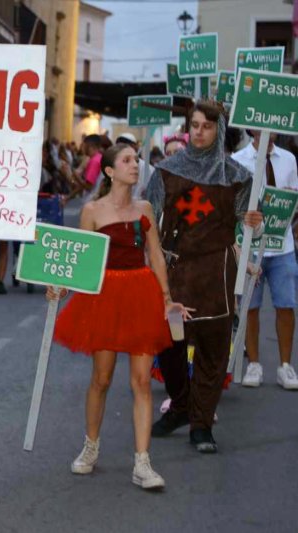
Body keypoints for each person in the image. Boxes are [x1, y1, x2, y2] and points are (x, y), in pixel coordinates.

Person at [48, 144, 188, 491]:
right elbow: (81, 260)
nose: (135, 165)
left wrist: (167, 299)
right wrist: (61, 288)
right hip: (105, 296)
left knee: (141, 381)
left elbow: (155, 256)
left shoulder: (145, 208)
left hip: (140, 294)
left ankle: (142, 462)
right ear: (109, 171)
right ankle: (91, 446)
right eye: (126, 160)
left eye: (136, 159)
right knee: (101, 378)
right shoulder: (92, 211)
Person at [145, 100, 264, 453]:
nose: (199, 132)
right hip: (176, 272)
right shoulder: (166, 171)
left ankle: (201, 424)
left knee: (212, 350)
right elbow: (148, 221)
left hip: (216, 273)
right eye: (194, 125)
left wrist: (254, 224)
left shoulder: (237, 177)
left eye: (207, 126)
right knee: (169, 344)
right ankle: (181, 406)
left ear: (219, 130)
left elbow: (250, 225)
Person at [232, 130, 298, 389]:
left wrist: (290, 201)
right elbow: (232, 202)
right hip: (250, 244)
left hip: (283, 245)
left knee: (286, 305)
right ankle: (254, 364)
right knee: (250, 306)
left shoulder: (289, 159)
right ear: (252, 129)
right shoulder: (238, 160)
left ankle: (286, 366)